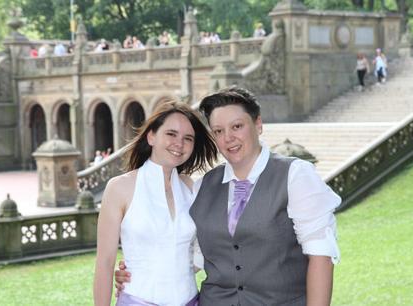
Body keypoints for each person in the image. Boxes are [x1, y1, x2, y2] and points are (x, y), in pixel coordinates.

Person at [116, 87, 341, 306]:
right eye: (219, 131)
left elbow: (321, 256)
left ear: (258, 124)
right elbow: (188, 256)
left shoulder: (295, 175)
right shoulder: (203, 186)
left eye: (237, 126)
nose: (228, 138)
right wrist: (136, 273)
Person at [93, 101, 217, 306]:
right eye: (171, 134)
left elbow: (196, 250)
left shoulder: (190, 187)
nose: (180, 143)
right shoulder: (119, 188)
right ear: (151, 136)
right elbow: (105, 263)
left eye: (188, 138)